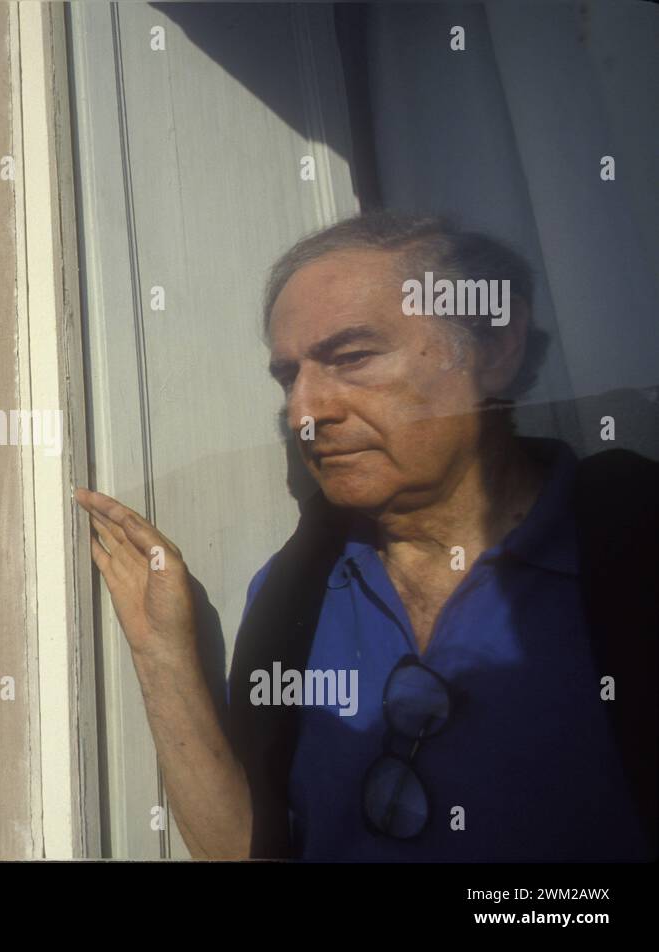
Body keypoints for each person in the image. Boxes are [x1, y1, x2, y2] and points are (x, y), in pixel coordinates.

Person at [77, 211, 655, 862]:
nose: (304, 412)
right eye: (288, 377)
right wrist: (164, 654)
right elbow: (247, 850)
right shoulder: (295, 595)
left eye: (351, 358)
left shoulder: (630, 551)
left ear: (496, 350)